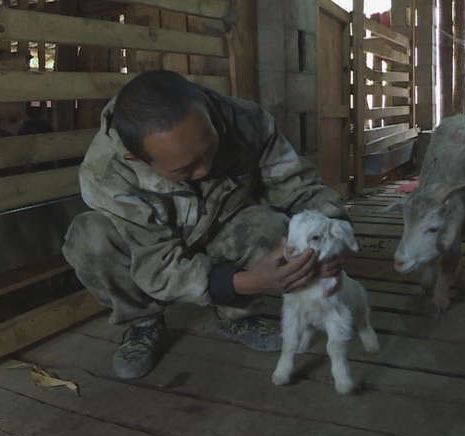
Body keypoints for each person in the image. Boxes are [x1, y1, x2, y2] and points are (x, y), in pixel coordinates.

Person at [62, 70, 351, 379]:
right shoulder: (106, 173)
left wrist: (335, 233)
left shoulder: (248, 121)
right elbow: (155, 265)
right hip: (152, 255)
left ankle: (235, 315)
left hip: (220, 231)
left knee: (272, 225)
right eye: (186, 168)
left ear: (202, 106)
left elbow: (297, 187)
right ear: (138, 159)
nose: (205, 168)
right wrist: (244, 282)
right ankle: (141, 321)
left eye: (210, 147)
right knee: (88, 239)